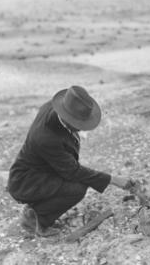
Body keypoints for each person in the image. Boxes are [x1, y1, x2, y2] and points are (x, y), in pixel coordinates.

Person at [7, 85, 132, 237]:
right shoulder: (46, 138)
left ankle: (39, 207)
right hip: (25, 181)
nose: (81, 128)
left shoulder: (54, 110)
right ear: (66, 117)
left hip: (43, 169)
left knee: (75, 181)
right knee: (77, 189)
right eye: (78, 123)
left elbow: (68, 165)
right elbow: (73, 171)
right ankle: (35, 218)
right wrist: (113, 179)